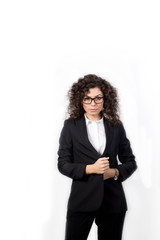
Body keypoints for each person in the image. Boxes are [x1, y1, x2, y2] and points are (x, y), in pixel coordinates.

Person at [57, 74, 137, 240]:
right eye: (87, 99)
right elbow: (63, 164)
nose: (93, 104)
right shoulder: (71, 126)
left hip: (112, 202)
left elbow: (130, 162)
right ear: (80, 100)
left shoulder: (116, 126)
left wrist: (113, 173)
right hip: (81, 200)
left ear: (105, 99)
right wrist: (89, 169)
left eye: (97, 98)